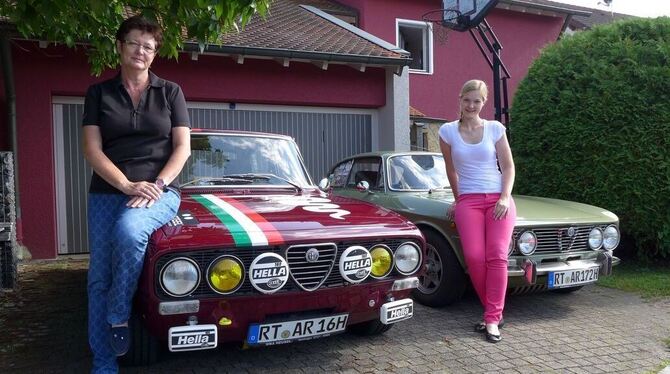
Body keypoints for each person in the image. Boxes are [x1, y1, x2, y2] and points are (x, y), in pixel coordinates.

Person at [82, 15, 191, 372]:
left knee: (129, 232)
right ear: (119, 46)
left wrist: (157, 185)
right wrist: (126, 185)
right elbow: (92, 151)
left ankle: (118, 315)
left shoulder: (171, 92)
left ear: (155, 52)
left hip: (159, 191)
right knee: (99, 276)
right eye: (134, 43)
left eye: (148, 46)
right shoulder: (98, 93)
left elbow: (182, 149)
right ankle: (103, 360)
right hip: (107, 192)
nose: (141, 51)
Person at [438, 79, 516, 343]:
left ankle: (492, 317)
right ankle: (493, 310)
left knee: (497, 255)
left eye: (477, 101)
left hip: (498, 199)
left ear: (483, 103)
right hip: (469, 200)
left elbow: (508, 167)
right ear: (460, 99)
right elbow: (451, 170)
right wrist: (459, 200)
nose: (471, 105)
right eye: (467, 99)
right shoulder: (447, 132)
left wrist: (505, 197)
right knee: (473, 256)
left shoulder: (495, 129)